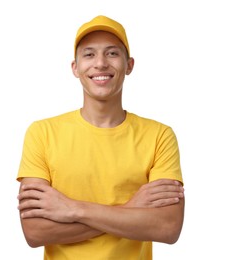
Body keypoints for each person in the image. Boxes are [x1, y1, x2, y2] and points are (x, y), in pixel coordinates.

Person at [17, 15, 185, 260]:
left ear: (129, 65)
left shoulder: (159, 136)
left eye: (112, 53)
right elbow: (35, 231)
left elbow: (168, 227)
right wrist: (130, 210)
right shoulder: (42, 133)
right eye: (88, 54)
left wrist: (72, 209)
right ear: (75, 68)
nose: (100, 63)